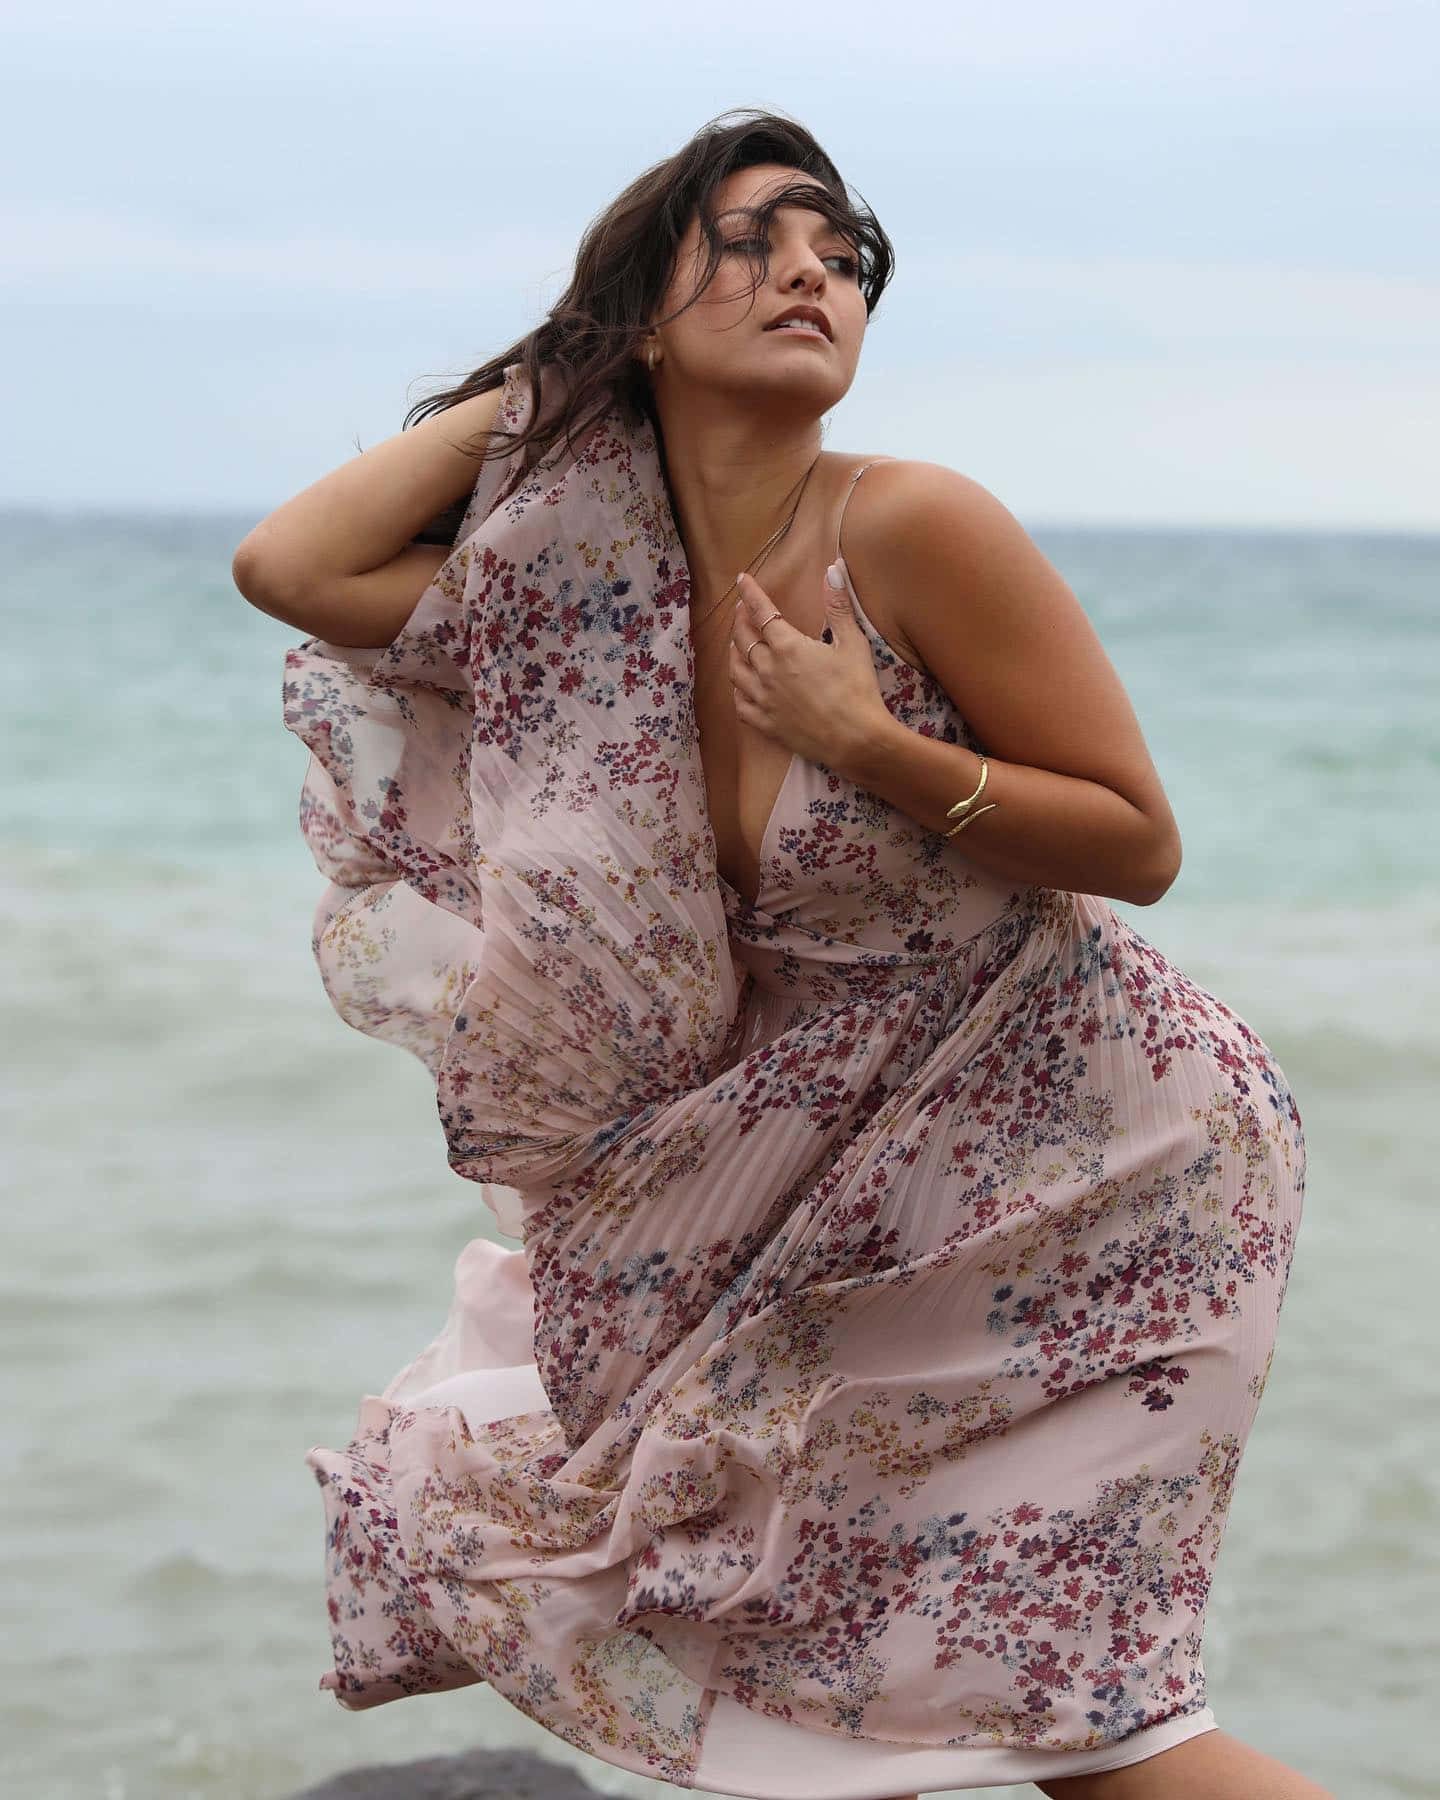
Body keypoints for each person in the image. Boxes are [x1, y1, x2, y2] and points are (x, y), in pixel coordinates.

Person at [233, 109, 1329, 1800]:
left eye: (837, 252)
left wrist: (868, 741)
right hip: (851, 1171)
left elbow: (1135, 839)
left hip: (1108, 1153)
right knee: (821, 1645)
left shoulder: (912, 527)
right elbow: (292, 568)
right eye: (747, 242)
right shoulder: (587, 599)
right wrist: (552, 379)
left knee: (1090, 1716)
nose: (810, 272)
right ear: (642, 315)